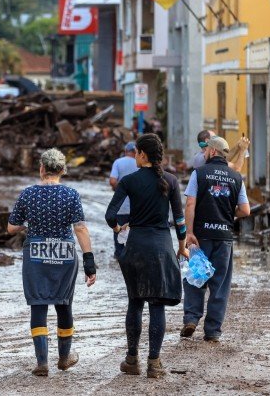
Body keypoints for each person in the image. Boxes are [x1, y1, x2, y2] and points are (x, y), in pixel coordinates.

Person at [105, 133, 189, 379]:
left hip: (136, 247)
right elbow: (180, 221)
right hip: (162, 247)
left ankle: (132, 360)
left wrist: (119, 229)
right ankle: (154, 362)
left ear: (141, 154)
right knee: (157, 305)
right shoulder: (171, 181)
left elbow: (111, 215)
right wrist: (182, 246)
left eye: (137, 154)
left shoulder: (129, 181)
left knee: (135, 302)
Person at [7, 148, 97, 377]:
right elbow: (80, 228)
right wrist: (89, 262)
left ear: (41, 169)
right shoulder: (71, 195)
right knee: (64, 304)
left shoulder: (28, 194)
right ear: (63, 171)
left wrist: (28, 226)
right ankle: (65, 358)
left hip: (35, 255)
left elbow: (11, 227)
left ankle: (42, 363)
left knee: (38, 304)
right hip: (64, 254)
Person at [181, 136, 251, 342]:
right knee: (220, 284)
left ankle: (191, 319)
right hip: (224, 237)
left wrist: (189, 233)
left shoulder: (199, 174)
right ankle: (212, 331)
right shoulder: (236, 177)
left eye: (205, 151)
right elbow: (246, 210)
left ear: (212, 152)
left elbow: (190, 205)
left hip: (201, 236)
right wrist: (229, 214)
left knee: (195, 277)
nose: (203, 154)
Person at [108, 142, 138, 259]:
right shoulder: (139, 164)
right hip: (136, 206)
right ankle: (133, 254)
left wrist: (120, 188)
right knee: (135, 231)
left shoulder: (118, 162)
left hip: (121, 206)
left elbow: (112, 181)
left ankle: (119, 254)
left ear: (126, 151)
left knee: (118, 230)